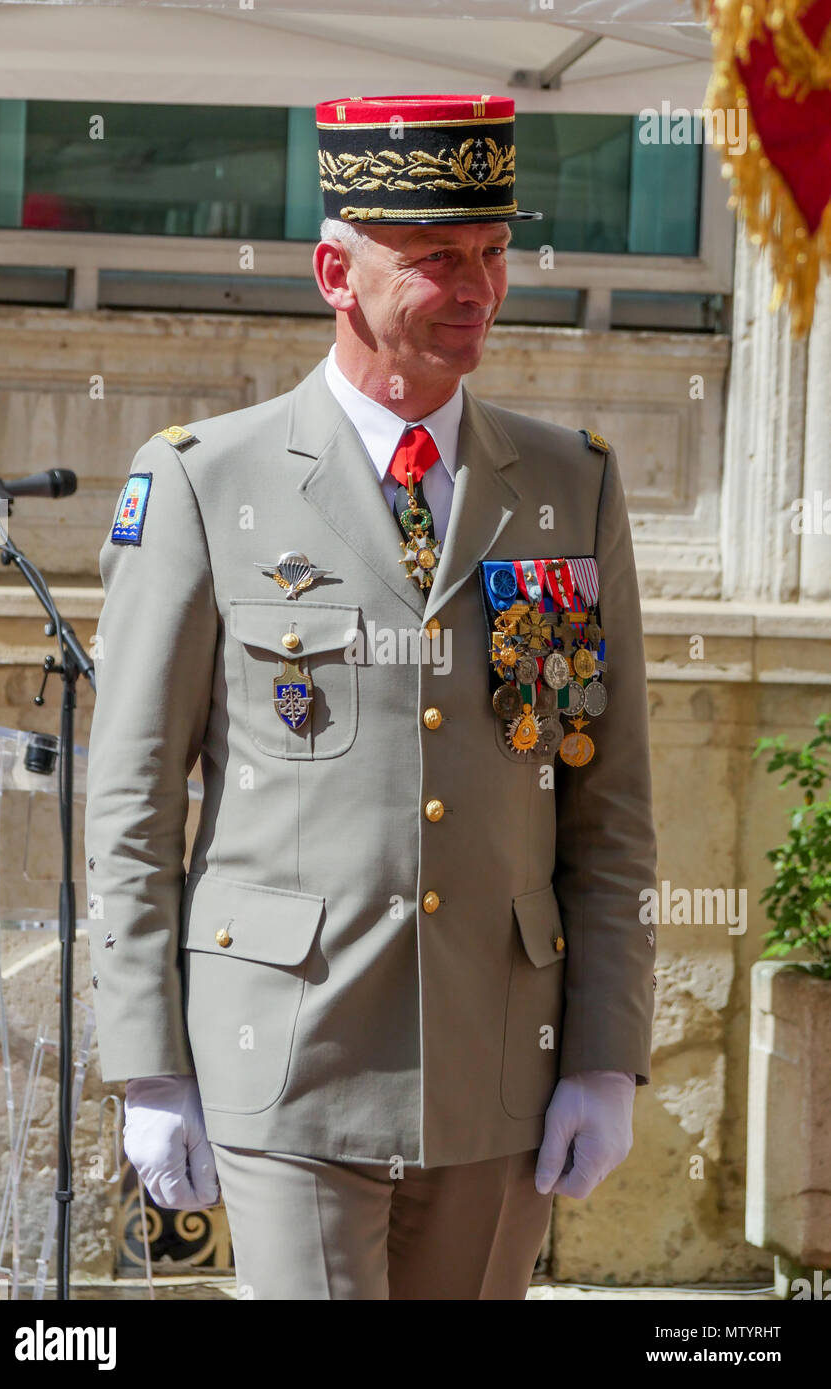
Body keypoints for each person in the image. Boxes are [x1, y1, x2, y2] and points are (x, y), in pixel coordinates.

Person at [84, 93, 657, 1301]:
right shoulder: (203, 482)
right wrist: (148, 1065)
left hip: (497, 1060)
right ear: (335, 274)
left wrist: (603, 1057)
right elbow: (133, 800)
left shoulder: (565, 484)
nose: (477, 290)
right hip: (287, 1054)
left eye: (493, 255)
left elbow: (605, 808)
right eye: (436, 259)